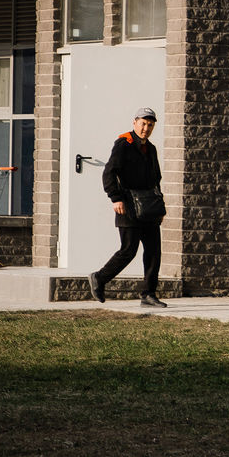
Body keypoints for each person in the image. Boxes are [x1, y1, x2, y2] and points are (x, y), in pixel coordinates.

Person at [88, 107, 168, 308]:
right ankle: (99, 277)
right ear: (135, 123)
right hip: (128, 207)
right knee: (128, 250)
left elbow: (156, 180)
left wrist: (161, 208)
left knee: (153, 251)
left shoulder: (151, 148)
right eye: (143, 124)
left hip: (149, 207)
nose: (146, 128)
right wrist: (116, 198)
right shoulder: (124, 144)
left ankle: (148, 294)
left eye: (150, 125)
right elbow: (109, 173)